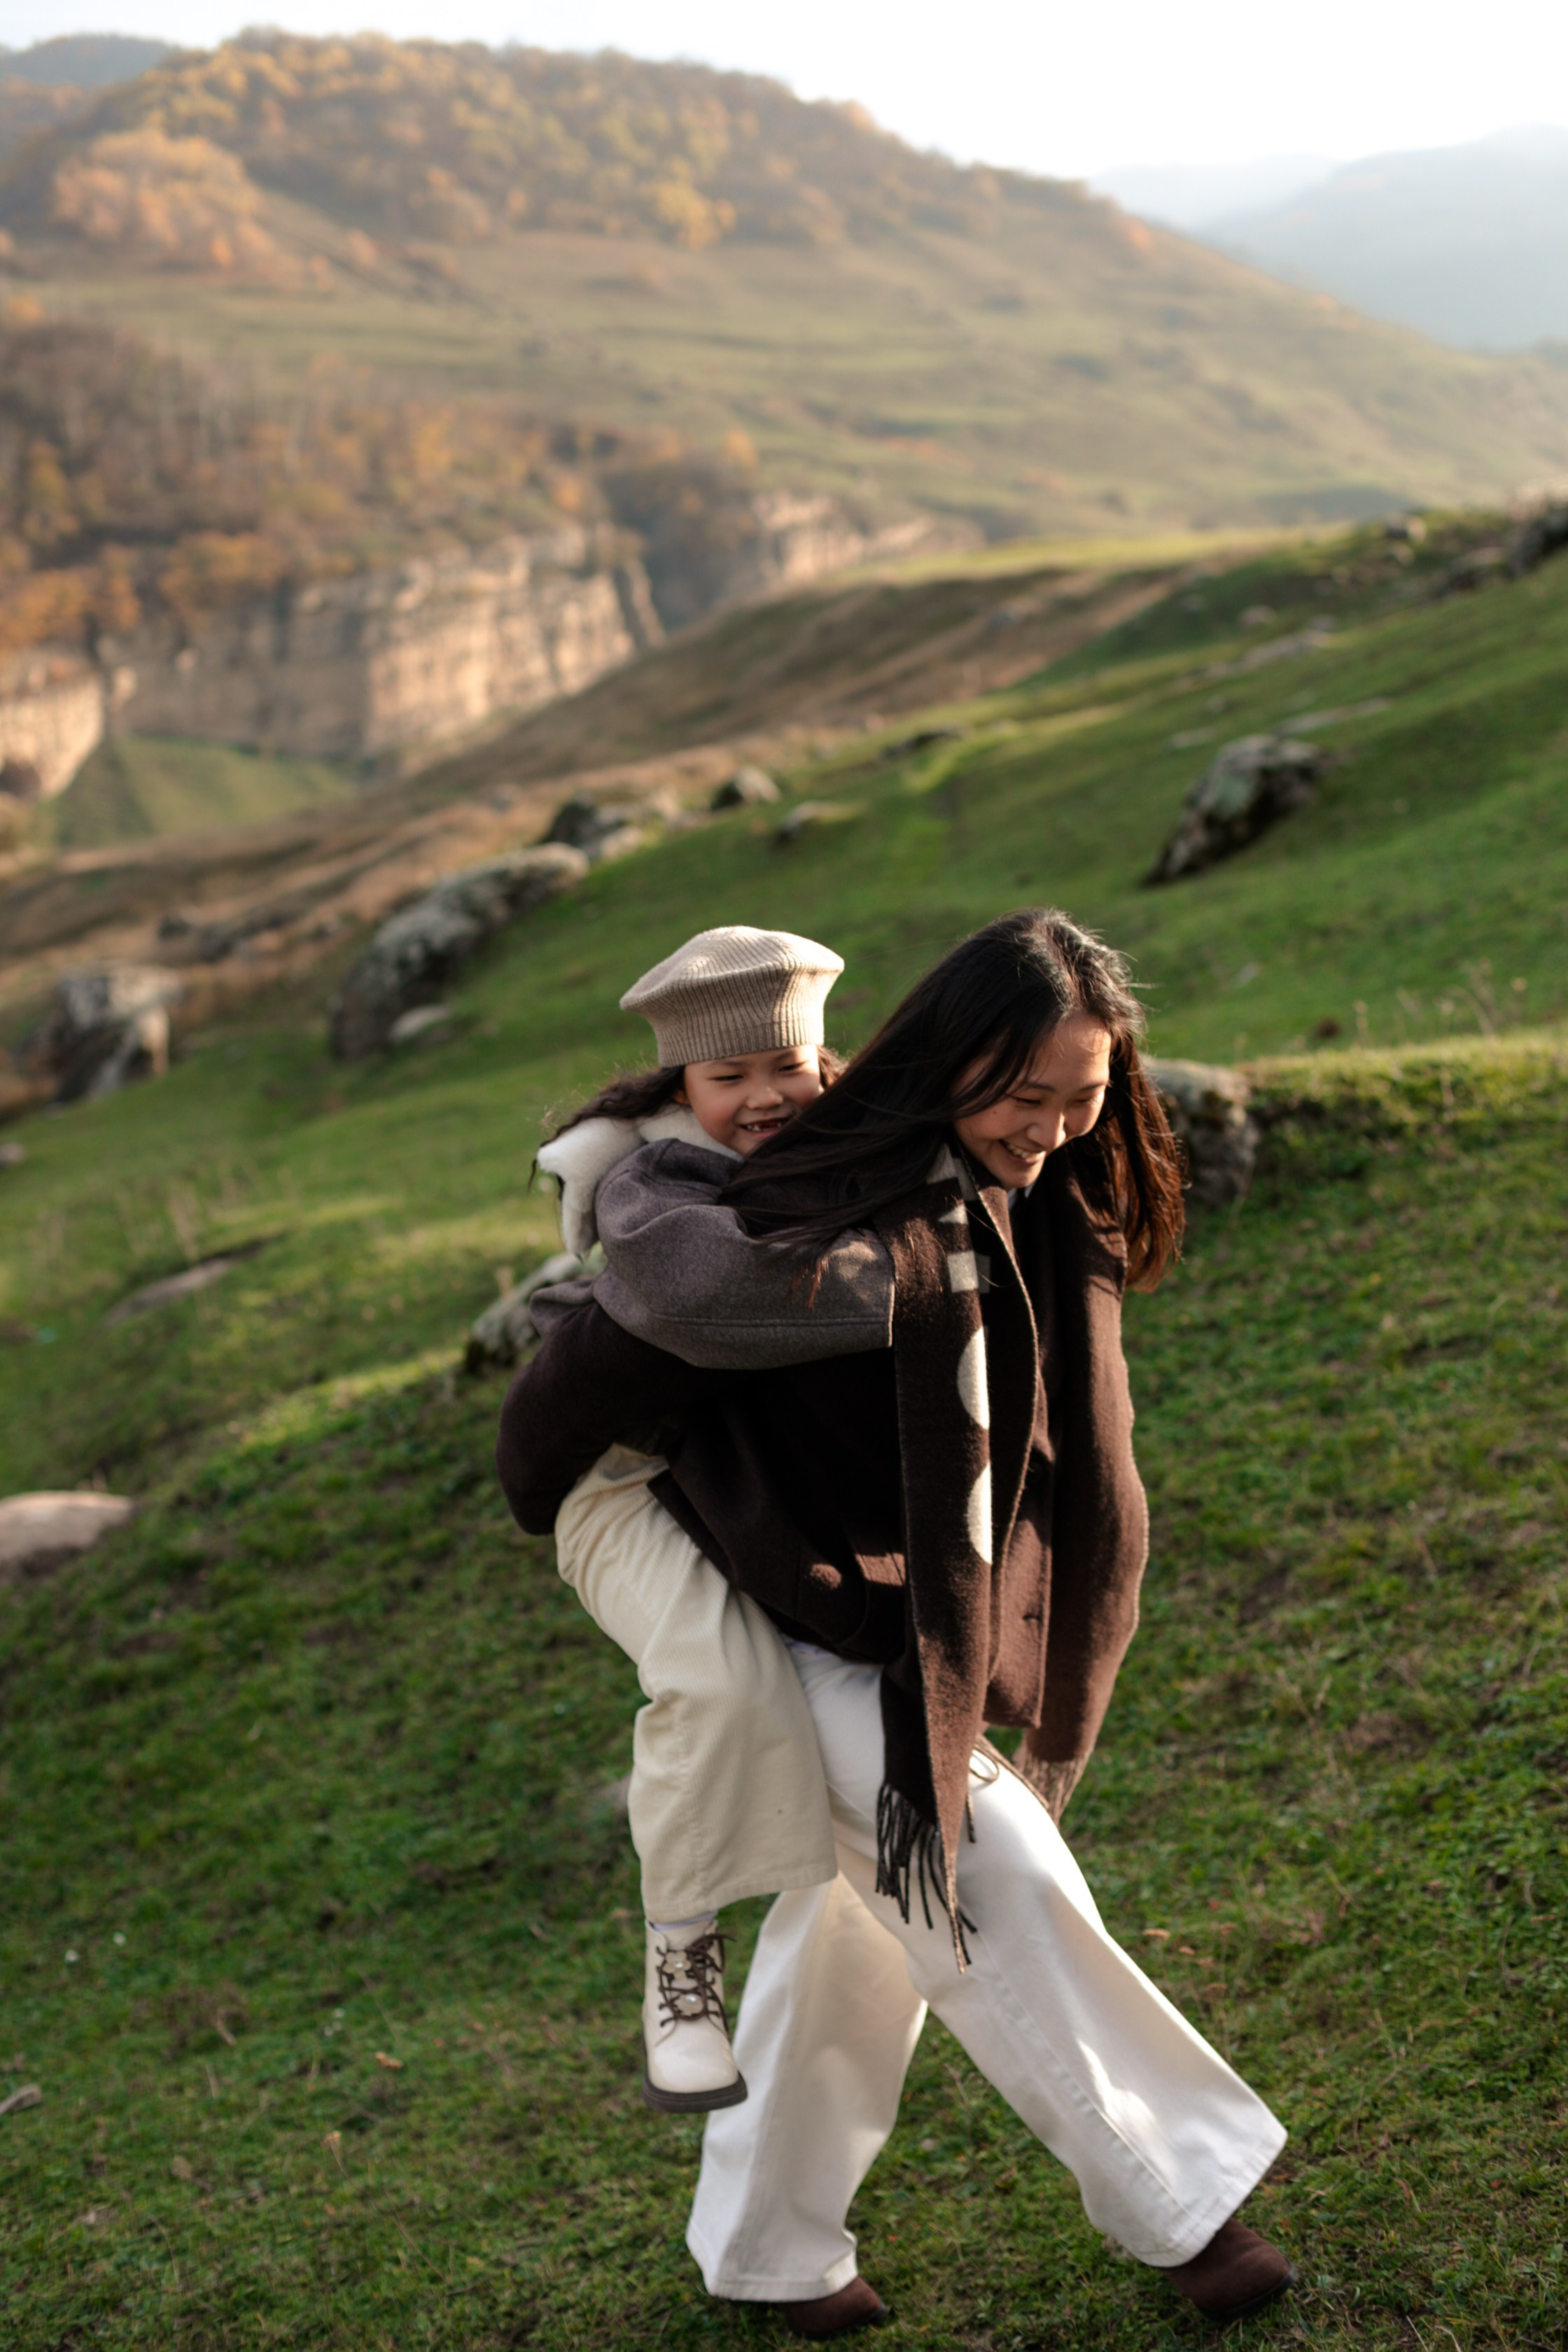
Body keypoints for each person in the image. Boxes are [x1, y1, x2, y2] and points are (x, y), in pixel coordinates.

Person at [500, 909, 1294, 2339]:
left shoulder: (1051, 1197)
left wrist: (1050, 1672)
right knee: (984, 1867)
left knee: (857, 1925)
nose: (1050, 1128)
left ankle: (766, 2247)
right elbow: (601, 1359)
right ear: (944, 1064)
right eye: (1022, 1095)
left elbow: (1090, 1459)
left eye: (1083, 1098)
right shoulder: (789, 1185)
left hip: (905, 1608)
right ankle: (1185, 2207)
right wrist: (542, 1473)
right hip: (766, 1595)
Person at [531, 926, 891, 2117]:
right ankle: (678, 1974)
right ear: (681, 1087)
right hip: (617, 1485)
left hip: (723, 1479)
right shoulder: (654, 1184)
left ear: (823, 1055)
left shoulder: (861, 1144)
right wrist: (930, 1281)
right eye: (727, 1078)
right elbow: (712, 1298)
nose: (761, 1098)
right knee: (720, 1682)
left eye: (783, 1066)